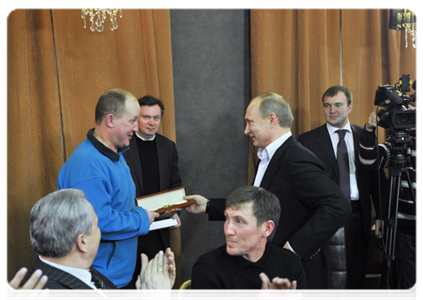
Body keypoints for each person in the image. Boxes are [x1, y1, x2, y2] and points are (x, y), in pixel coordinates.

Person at [185, 92, 351, 300]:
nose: (246, 130)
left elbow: (338, 206)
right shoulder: (269, 156)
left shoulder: (296, 158)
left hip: (298, 274)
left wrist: (292, 249)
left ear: (272, 119)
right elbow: (256, 208)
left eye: (250, 122)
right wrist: (208, 205)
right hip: (273, 269)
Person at [57, 88, 159, 289]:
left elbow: (119, 204)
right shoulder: (89, 165)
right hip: (99, 278)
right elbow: (98, 222)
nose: (136, 128)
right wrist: (141, 218)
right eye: (132, 120)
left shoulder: (114, 154)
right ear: (110, 120)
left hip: (113, 276)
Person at [297, 85, 387, 300]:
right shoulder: (307, 141)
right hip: (323, 219)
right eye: (327, 105)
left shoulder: (364, 137)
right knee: (328, 281)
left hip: (358, 217)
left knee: (356, 278)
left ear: (350, 107)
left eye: (338, 105)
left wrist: (382, 215)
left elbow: (376, 180)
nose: (332, 110)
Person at [27, 188, 175, 300]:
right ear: (82, 242)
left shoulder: (76, 270)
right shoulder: (54, 295)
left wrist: (146, 293)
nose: (100, 233)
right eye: (97, 226)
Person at [191, 186, 309, 300]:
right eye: (227, 218)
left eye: (239, 221)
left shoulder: (290, 263)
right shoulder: (208, 268)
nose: (228, 230)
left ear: (267, 228)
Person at [359, 102, 420, 300]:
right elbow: (370, 161)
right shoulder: (401, 142)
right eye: (410, 111)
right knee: (409, 291)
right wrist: (369, 130)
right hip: (406, 228)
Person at [122, 95, 182, 283]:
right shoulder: (122, 145)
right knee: (132, 284)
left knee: (157, 283)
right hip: (131, 228)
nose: (151, 122)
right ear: (136, 118)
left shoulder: (168, 147)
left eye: (156, 118)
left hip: (160, 229)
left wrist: (175, 209)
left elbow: (175, 183)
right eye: (146, 117)